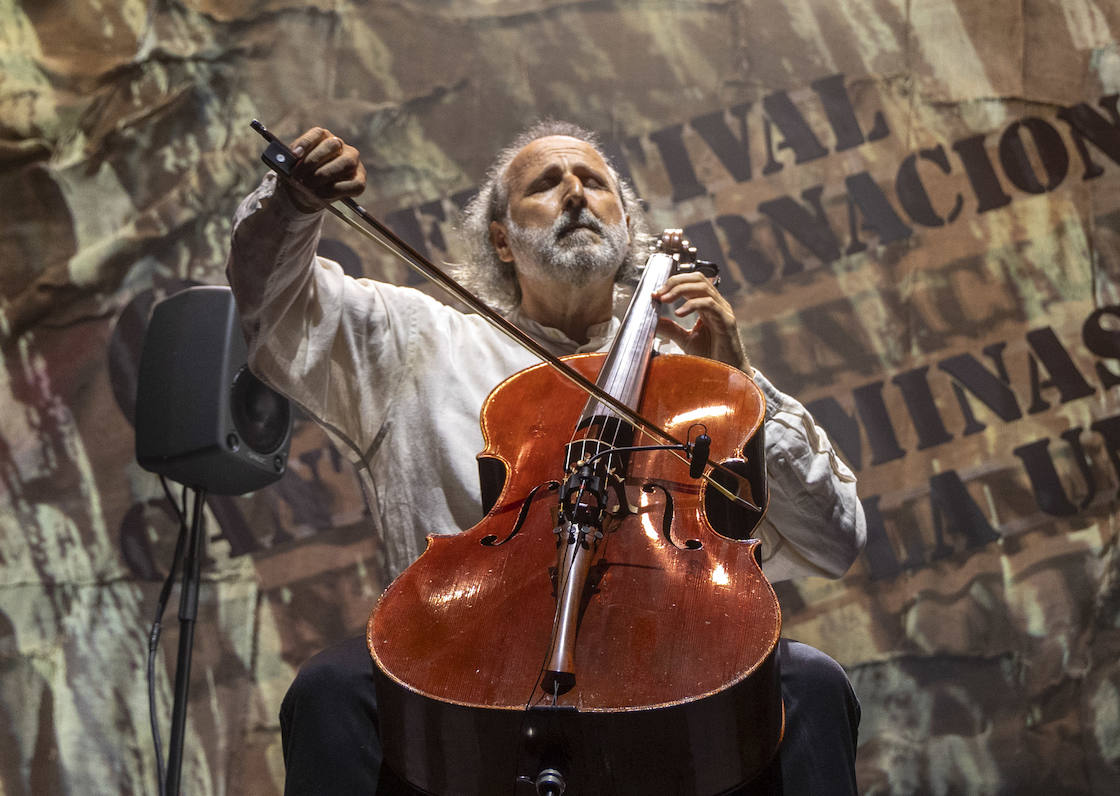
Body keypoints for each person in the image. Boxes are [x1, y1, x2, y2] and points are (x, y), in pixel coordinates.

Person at [227, 120, 867, 795]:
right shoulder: (418, 341)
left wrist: (740, 381)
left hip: (666, 665)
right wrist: (291, 205)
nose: (575, 194)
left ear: (625, 230)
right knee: (334, 688)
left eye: (595, 182)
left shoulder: (694, 382)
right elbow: (275, 306)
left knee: (810, 685)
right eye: (545, 184)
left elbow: (836, 538)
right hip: (462, 674)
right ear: (501, 238)